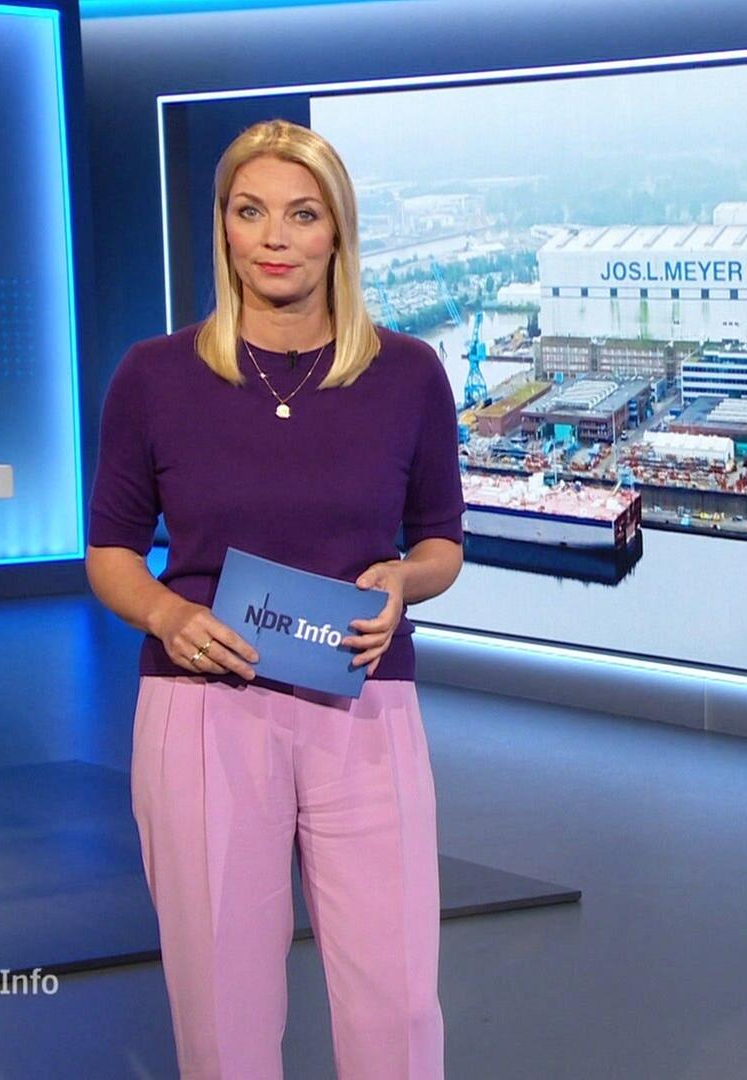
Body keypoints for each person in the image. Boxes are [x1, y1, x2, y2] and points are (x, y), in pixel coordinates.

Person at [86, 118, 463, 1079]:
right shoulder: (153, 376)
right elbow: (111, 553)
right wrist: (166, 615)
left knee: (397, 1002)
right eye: (250, 212)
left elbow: (441, 545)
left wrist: (403, 580)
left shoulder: (409, 373)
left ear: (338, 231)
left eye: (302, 214)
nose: (275, 238)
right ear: (223, 227)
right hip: (202, 703)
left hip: (364, 698)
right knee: (223, 1012)